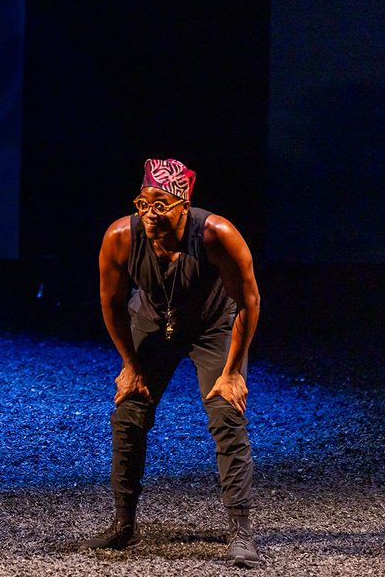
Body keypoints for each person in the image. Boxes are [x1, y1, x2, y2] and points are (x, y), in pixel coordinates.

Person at [86, 158, 263, 567]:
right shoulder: (120, 237)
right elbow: (111, 304)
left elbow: (249, 303)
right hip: (152, 321)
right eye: (143, 204)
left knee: (226, 412)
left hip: (213, 326)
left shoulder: (216, 234)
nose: (150, 214)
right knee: (129, 410)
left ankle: (240, 531)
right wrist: (130, 365)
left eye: (161, 205)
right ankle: (124, 524)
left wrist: (232, 372)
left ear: (184, 206)